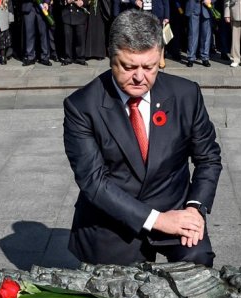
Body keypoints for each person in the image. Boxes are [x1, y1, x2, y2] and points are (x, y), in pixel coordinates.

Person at [63, 10, 222, 267]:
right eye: (129, 66)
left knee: (198, 270)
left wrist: (195, 208)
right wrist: (158, 220)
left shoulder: (186, 94)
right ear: (111, 56)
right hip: (112, 220)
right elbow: (94, 182)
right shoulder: (82, 107)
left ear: (160, 56)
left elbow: (209, 158)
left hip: (175, 207)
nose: (139, 77)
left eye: (149, 67)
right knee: (117, 295)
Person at [20, 0, 52, 65]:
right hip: (28, 6)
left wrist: (46, 2)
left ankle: (45, 57)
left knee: (43, 33)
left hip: (42, 6)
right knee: (29, 33)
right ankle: (30, 57)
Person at [185, 0, 213, 67]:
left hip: (207, 8)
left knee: (206, 35)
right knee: (192, 34)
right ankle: (191, 58)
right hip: (193, 7)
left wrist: (211, 0)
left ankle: (205, 57)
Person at [60, 0, 88, 66]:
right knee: (67, 37)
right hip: (67, 13)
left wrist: (83, 2)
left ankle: (80, 58)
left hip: (80, 13)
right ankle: (68, 58)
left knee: (80, 37)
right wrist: (66, 1)